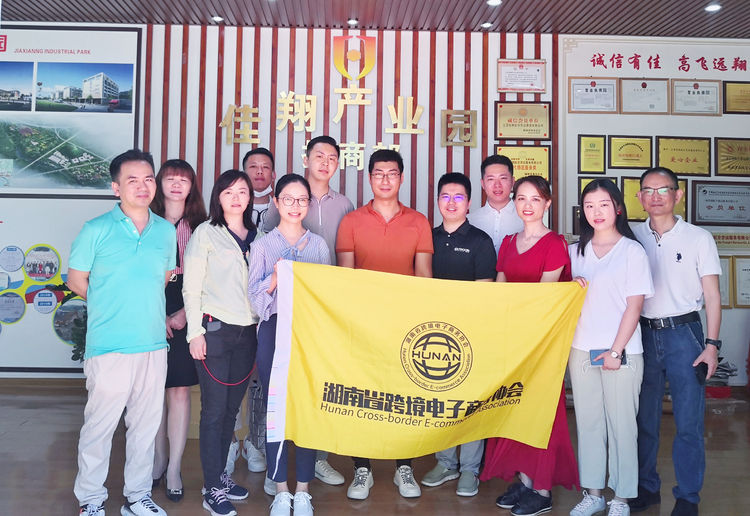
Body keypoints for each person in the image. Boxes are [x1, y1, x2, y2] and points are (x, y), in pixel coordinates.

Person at [69, 149, 175, 516]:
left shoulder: (166, 231)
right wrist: (109, 302)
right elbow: (77, 280)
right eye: (133, 180)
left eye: (148, 179)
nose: (143, 186)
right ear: (116, 188)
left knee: (145, 427)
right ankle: (91, 500)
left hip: (153, 344)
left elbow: (163, 279)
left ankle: (137, 496)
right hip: (109, 345)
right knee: (99, 427)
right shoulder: (95, 229)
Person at [336, 149, 433, 500]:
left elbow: (424, 276)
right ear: (370, 178)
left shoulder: (418, 221)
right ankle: (361, 468)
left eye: (392, 173)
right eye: (379, 173)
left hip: (404, 324)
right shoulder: (351, 221)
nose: (385, 179)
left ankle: (403, 466)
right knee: (361, 394)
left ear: (402, 178)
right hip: (362, 323)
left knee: (403, 395)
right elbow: (346, 277)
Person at [480, 175, 579, 516]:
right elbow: (501, 291)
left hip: (542, 344)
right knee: (512, 409)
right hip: (511, 340)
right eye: (521, 198)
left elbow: (543, 300)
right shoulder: (509, 242)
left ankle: (542, 489)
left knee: (541, 414)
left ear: (547, 203)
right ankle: (524, 480)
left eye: (535, 199)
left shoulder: (555, 244)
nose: (527, 205)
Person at [629, 167, 722, 516]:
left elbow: (712, 296)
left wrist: (711, 345)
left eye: (663, 190)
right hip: (642, 333)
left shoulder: (699, 238)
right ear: (639, 197)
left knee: (688, 421)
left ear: (677, 195)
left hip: (685, 334)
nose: (655, 197)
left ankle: (688, 496)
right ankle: (646, 487)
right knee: (644, 419)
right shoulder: (632, 236)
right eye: (648, 190)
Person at [261, 135, 352, 487]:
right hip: (278, 317)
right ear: (307, 159)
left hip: (319, 315)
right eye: (319, 155)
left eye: (332, 157)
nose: (325, 162)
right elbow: (266, 259)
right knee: (275, 393)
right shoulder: (284, 201)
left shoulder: (344, 205)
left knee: (316, 391)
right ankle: (275, 468)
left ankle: (316, 463)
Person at [567, 179, 654, 516]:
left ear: (618, 207)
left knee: (622, 427)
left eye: (603, 204)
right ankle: (593, 493)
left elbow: (635, 306)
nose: (596, 212)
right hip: (581, 349)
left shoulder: (632, 251)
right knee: (588, 425)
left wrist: (616, 351)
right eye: (589, 206)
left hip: (623, 352)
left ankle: (621, 498)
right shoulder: (575, 251)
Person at [249, 173, 331, 516]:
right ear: (277, 202)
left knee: (308, 407)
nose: (295, 206)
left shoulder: (319, 246)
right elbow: (255, 301)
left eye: (302, 200)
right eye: (288, 199)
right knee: (277, 408)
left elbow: (327, 298)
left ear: (308, 204)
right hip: (274, 330)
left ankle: (303, 490)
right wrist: (275, 277)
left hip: (309, 333)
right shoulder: (262, 246)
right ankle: (281, 488)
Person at [183, 169, 261, 516]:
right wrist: (194, 333)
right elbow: (192, 287)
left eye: (242, 191)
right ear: (218, 197)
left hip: (248, 334)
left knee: (231, 410)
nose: (236, 197)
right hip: (214, 331)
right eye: (228, 192)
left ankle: (220, 477)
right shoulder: (206, 233)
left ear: (250, 197)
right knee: (213, 412)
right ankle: (211, 487)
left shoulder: (259, 236)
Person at [421, 173, 496, 497]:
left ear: (469, 203)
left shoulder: (481, 241)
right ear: (438, 201)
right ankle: (445, 462)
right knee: (439, 399)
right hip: (434, 334)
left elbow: (485, 293)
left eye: (458, 197)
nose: (451, 203)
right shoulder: (427, 238)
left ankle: (470, 469)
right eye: (445, 196)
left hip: (471, 333)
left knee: (470, 403)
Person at [150, 159, 208, 503]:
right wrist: (156, 315)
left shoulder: (201, 225)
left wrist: (186, 313)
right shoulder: (146, 220)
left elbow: (209, 276)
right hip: (149, 307)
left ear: (191, 187)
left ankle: (174, 467)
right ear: (159, 183)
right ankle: (157, 461)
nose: (176, 185)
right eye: (170, 178)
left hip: (189, 306)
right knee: (152, 391)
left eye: (183, 180)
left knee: (179, 390)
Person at [467, 154, 523, 255]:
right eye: (491, 179)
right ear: (482, 184)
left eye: (503, 178)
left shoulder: (526, 219)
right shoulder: (469, 221)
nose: (497, 185)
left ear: (512, 182)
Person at [244, 147, 276, 227]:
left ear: (273, 175)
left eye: (265, 167)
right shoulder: (233, 209)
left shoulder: (281, 211)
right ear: (244, 175)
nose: (259, 171)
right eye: (253, 166)